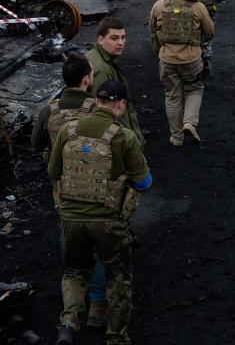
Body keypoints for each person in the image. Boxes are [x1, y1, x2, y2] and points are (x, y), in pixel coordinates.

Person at [49, 80, 152, 345]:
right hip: (108, 221)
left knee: (74, 272)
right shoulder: (123, 136)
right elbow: (144, 182)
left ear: (96, 102)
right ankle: (116, 336)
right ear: (120, 104)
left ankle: (68, 325)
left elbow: (53, 172)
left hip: (71, 218)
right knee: (118, 276)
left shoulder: (68, 130)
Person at [30, 53, 108, 328]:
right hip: (98, 189)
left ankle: (74, 303)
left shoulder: (48, 112)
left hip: (64, 189)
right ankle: (98, 303)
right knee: (99, 246)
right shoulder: (100, 109)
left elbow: (36, 144)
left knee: (70, 243)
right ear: (87, 79)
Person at [148, 0, 214, 147]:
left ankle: (176, 137)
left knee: (172, 96)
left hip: (167, 59)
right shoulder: (198, 7)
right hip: (192, 59)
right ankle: (190, 123)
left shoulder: (159, 5)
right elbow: (209, 32)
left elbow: (152, 31)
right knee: (194, 89)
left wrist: (159, 51)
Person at [86, 17, 141, 138]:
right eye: (114, 38)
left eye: (123, 37)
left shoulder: (94, 56)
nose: (121, 43)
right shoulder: (103, 70)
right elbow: (106, 110)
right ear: (100, 40)